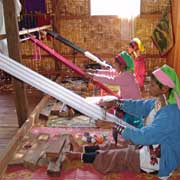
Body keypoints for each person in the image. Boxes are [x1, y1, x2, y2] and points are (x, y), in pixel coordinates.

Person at [67, 64, 180, 180]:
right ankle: (82, 150)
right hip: (150, 144)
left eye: (152, 85)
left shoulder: (170, 114)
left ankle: (79, 156)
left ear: (165, 88)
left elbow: (142, 137)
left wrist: (114, 125)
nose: (147, 87)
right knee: (117, 145)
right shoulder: (159, 101)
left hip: (160, 158)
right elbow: (139, 106)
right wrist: (116, 103)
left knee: (121, 156)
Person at [86, 50, 143, 128]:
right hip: (129, 104)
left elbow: (111, 80)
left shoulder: (127, 76)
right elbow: (111, 73)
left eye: (115, 63)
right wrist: (96, 71)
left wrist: (93, 76)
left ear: (122, 65)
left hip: (133, 108)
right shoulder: (125, 73)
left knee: (129, 125)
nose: (114, 65)